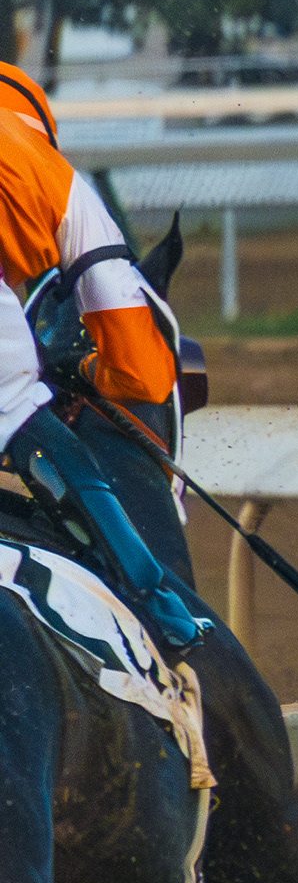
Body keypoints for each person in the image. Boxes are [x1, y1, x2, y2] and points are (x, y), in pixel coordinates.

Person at [0, 64, 209, 655]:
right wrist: (85, 369)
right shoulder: (51, 174)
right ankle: (164, 610)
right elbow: (142, 373)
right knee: (22, 414)